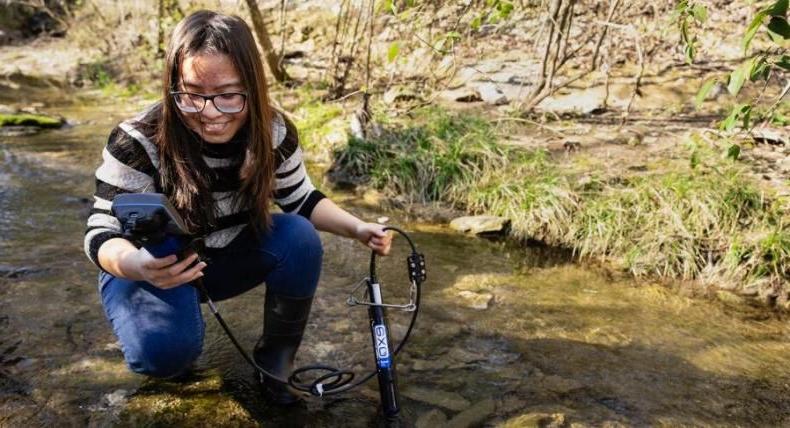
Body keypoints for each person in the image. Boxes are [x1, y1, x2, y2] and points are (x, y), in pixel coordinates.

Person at [83, 10, 392, 405]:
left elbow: (302, 200)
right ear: (172, 86)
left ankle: (275, 365)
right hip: (146, 266)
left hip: (222, 260)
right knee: (165, 359)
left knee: (298, 237)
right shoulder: (138, 140)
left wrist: (358, 228)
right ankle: (168, 336)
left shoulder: (273, 131)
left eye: (229, 95)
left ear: (254, 87)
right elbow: (101, 231)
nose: (210, 113)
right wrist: (135, 265)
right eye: (192, 94)